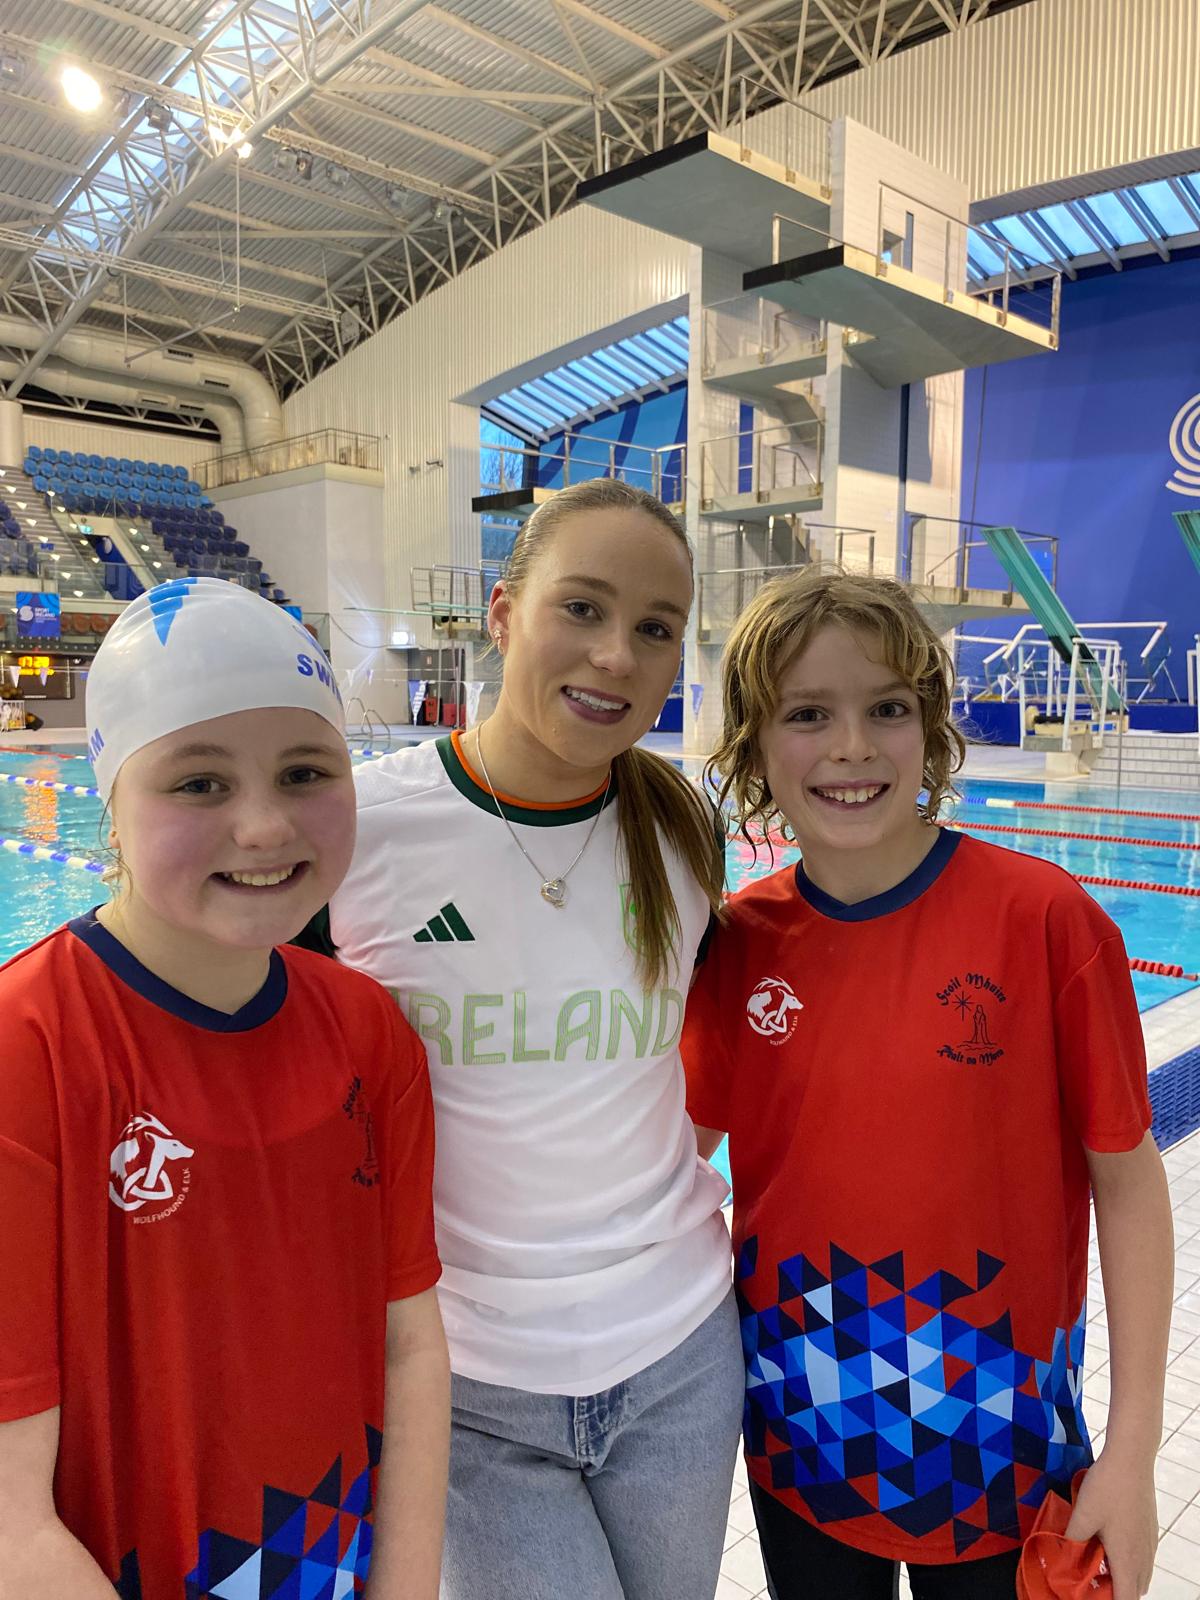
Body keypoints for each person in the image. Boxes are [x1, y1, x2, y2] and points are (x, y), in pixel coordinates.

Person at [683, 569, 1172, 1600]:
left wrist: (1132, 1455)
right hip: (801, 1439)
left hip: (1000, 1446)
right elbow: (674, 1161)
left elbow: (1130, 1186)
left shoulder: (1045, 922)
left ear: (932, 729)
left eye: (887, 709)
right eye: (808, 714)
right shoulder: (740, 943)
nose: (852, 746)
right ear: (755, 746)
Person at [312, 478, 745, 1600]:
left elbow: (689, 1060)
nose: (615, 656)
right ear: (503, 614)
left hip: (681, 1357)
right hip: (469, 1380)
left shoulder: (685, 831)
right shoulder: (360, 831)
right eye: (582, 608)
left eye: (656, 629)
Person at [0, 577, 448, 1599]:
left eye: (304, 772)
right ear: (112, 806)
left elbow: (411, 1348)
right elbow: (10, 1514)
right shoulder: (29, 1051)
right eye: (199, 783)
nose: (263, 826)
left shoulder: (367, 1031)